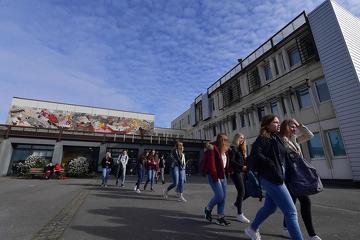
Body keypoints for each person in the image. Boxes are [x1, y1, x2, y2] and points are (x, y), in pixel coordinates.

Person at [244, 115, 303, 240]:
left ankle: (252, 229)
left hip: (278, 177)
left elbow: (286, 146)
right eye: (275, 122)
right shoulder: (262, 139)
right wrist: (270, 163)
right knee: (291, 212)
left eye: (278, 122)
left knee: (270, 208)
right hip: (271, 179)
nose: (278, 124)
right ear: (267, 125)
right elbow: (255, 155)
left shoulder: (276, 137)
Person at [280, 119, 321, 240]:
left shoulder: (295, 138)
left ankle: (285, 228)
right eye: (291, 126)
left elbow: (309, 135)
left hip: (299, 175)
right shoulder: (281, 140)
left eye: (294, 127)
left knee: (292, 204)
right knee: (303, 202)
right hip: (290, 176)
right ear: (285, 126)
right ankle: (312, 234)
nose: (294, 129)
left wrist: (300, 125)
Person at [202, 133, 231, 226]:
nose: (225, 142)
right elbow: (212, 165)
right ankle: (208, 209)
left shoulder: (225, 150)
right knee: (220, 195)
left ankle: (220, 218)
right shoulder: (213, 149)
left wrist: (229, 172)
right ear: (220, 140)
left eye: (226, 140)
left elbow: (225, 164)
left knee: (223, 198)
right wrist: (216, 178)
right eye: (223, 140)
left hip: (223, 176)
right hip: (214, 175)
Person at [229, 133, 250, 223]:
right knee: (241, 191)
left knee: (246, 192)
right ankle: (239, 214)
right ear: (236, 138)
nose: (242, 140)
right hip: (235, 172)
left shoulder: (241, 149)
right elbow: (232, 161)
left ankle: (235, 204)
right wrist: (242, 167)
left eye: (243, 138)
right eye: (241, 138)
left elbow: (244, 161)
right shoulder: (232, 148)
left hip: (242, 172)